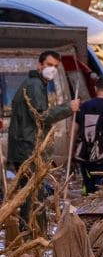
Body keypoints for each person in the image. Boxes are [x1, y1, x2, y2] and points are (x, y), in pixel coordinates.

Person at [5, 51, 73, 233]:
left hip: (26, 146)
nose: (52, 70)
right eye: (49, 65)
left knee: (33, 192)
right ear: (40, 65)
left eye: (56, 67)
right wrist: (68, 108)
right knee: (33, 193)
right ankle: (31, 236)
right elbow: (41, 116)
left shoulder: (37, 84)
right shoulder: (35, 85)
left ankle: (35, 234)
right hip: (28, 148)